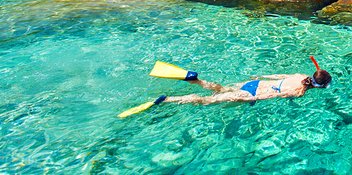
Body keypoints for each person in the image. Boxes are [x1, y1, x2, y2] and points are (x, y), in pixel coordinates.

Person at [118, 57, 331, 117]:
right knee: (209, 101)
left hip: (254, 83)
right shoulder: (300, 92)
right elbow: (272, 97)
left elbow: (276, 76)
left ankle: (194, 79)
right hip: (252, 92)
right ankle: (168, 100)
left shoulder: (300, 75)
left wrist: (258, 77)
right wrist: (247, 100)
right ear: (318, 87)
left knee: (219, 89)